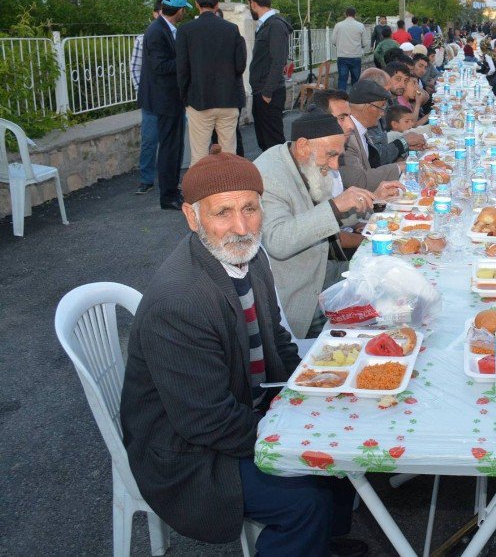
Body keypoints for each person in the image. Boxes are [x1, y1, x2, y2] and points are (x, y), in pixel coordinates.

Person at [119, 148, 365, 556]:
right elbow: (206, 421)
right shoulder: (181, 301)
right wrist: (299, 434)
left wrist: (315, 391)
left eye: (250, 208)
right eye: (222, 213)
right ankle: (308, 533)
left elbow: (278, 343)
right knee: (308, 498)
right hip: (189, 455)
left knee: (344, 440)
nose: (240, 226)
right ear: (192, 217)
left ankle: (320, 544)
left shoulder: (250, 258)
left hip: (240, 410)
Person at [255, 108, 399, 338]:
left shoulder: (304, 160)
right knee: (388, 318)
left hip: (327, 269)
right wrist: (335, 206)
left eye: (338, 157)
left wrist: (372, 199)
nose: (334, 166)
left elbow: (325, 217)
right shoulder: (269, 176)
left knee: (397, 283)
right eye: (331, 155)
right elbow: (278, 241)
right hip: (303, 294)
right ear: (303, 146)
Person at [176, 0, 246, 164]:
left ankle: (200, 192)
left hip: (199, 100)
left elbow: (182, 69)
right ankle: (229, 190)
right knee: (229, 154)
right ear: (217, 5)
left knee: (199, 156)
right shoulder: (232, 29)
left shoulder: (185, 31)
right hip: (228, 99)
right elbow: (240, 66)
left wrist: (184, 98)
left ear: (197, 3)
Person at [138, 0, 190, 211]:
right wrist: (185, 61)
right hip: (164, 100)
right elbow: (160, 66)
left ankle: (172, 189)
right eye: (183, 10)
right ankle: (168, 195)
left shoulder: (164, 28)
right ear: (179, 10)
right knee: (169, 148)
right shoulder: (157, 31)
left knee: (174, 146)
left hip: (169, 99)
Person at [247, 0, 292, 151]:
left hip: (269, 93)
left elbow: (278, 60)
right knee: (265, 143)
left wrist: (267, 93)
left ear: (253, 3)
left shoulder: (275, 26)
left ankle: (282, 176)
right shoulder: (267, 25)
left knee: (274, 144)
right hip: (263, 91)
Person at [340, 80, 405, 190]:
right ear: (368, 107)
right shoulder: (347, 137)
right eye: (381, 107)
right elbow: (359, 181)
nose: (383, 113)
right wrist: (399, 167)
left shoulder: (361, 129)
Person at [131, 0, 162, 195]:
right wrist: (141, 91)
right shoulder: (143, 40)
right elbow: (135, 68)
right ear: (154, 14)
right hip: (150, 98)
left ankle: (170, 180)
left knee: (171, 142)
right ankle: (146, 179)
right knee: (149, 140)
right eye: (158, 12)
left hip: (171, 98)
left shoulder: (176, 37)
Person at [331, 7, 366, 91]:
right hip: (356, 56)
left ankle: (341, 99)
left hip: (342, 56)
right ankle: (354, 99)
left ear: (345, 14)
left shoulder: (338, 25)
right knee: (356, 80)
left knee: (342, 79)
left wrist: (340, 45)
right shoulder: (360, 25)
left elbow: (333, 41)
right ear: (355, 15)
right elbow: (364, 43)